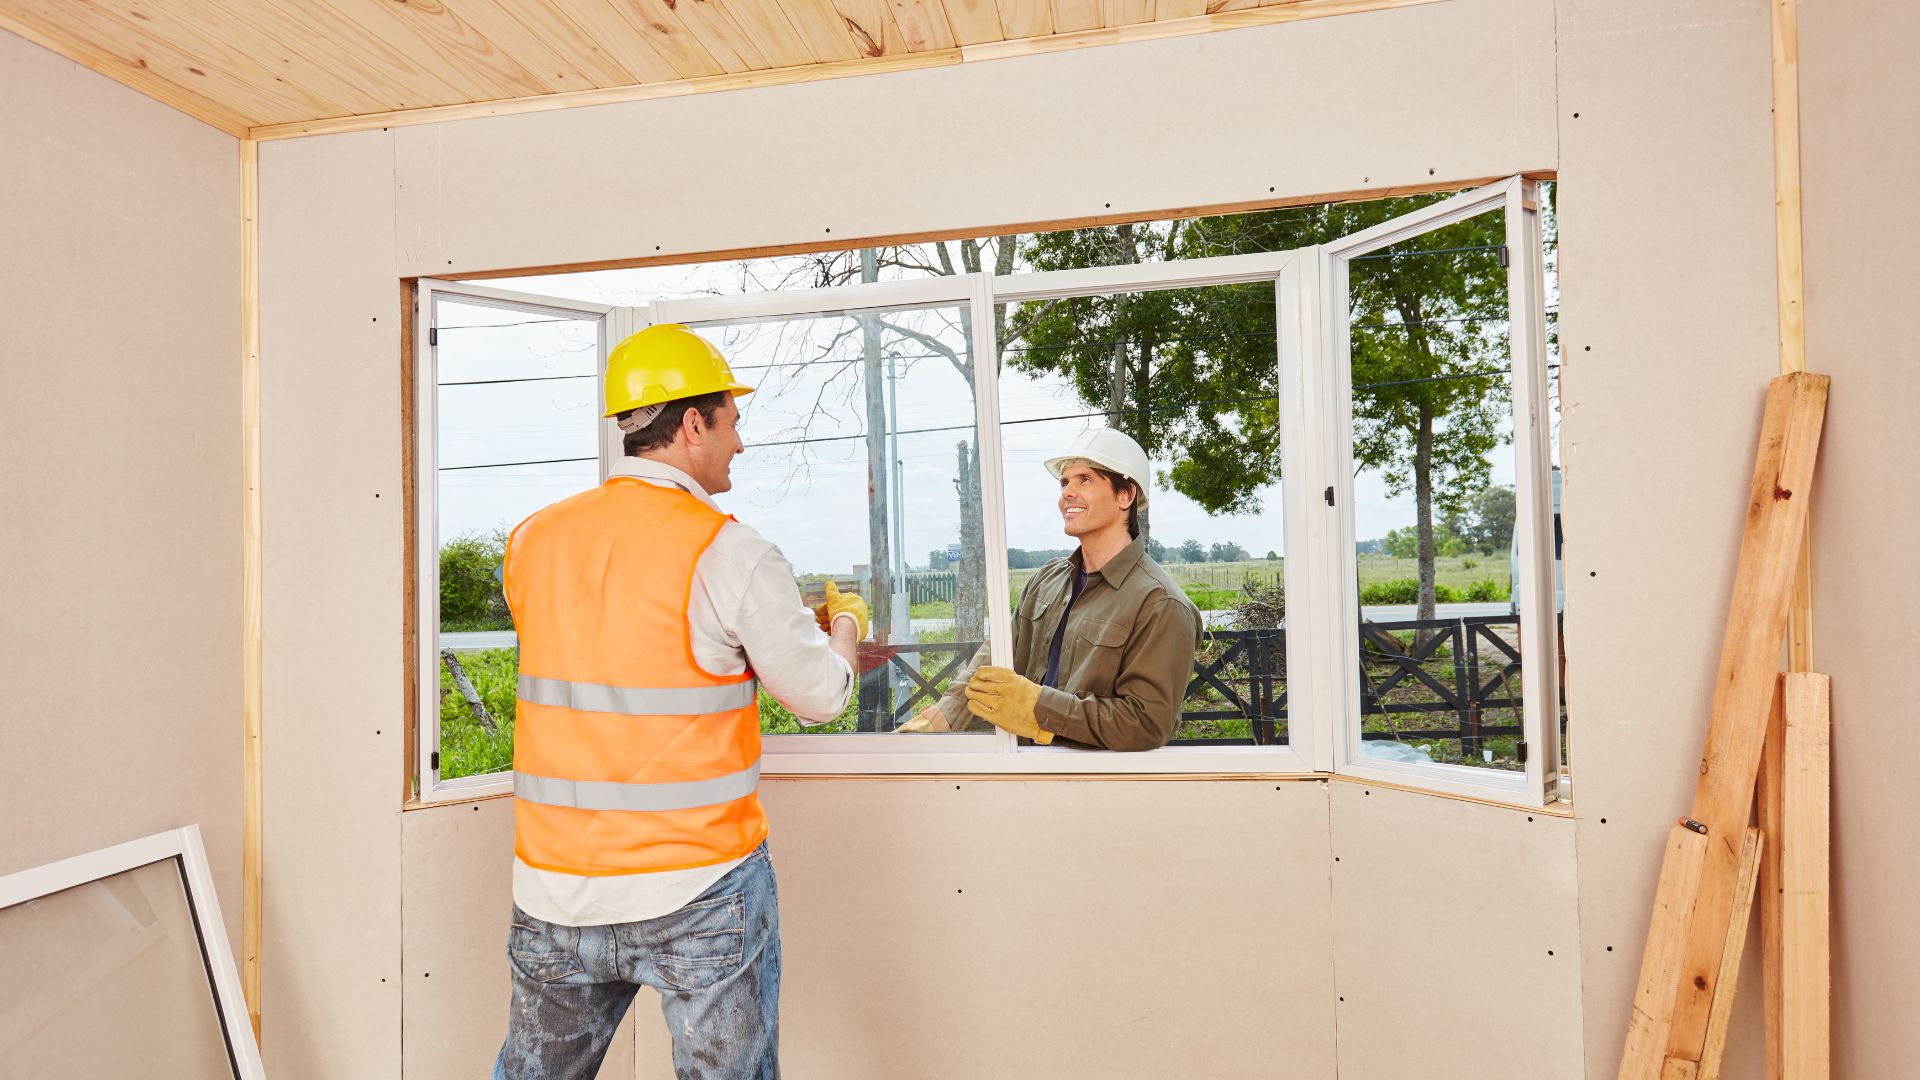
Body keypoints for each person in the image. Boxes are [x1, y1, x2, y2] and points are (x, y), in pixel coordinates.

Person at [494, 324, 869, 1080]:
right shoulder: (730, 551)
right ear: (692, 423)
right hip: (697, 887)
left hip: (554, 888)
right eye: (732, 420)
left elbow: (615, 648)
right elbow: (821, 695)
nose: (740, 440)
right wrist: (848, 624)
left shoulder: (532, 539)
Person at [900, 428, 1201, 751]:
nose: (1067, 493)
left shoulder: (1161, 604)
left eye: (1084, 480)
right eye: (1064, 483)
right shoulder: (1047, 580)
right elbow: (995, 660)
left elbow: (1146, 724)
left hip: (1097, 786)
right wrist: (940, 720)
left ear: (1124, 495)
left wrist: (1038, 707)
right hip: (1023, 769)